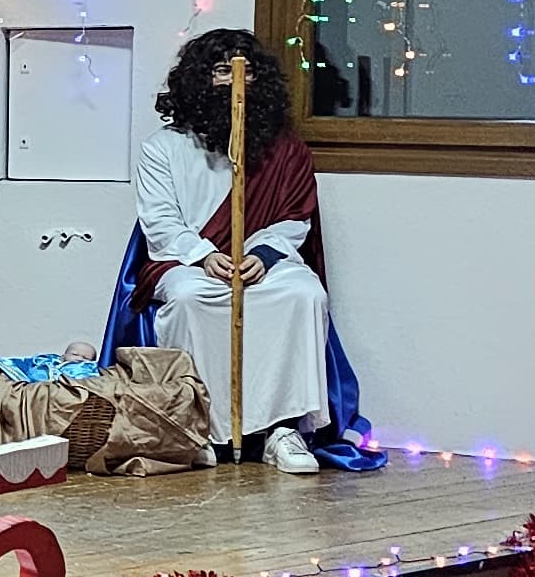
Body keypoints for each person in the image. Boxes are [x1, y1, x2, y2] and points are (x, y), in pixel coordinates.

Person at [111, 28, 384, 474]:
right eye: (223, 72)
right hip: (186, 261)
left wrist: (265, 254)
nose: (238, 82)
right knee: (190, 298)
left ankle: (282, 429)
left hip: (260, 259)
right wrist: (203, 256)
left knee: (301, 294)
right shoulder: (164, 149)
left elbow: (295, 217)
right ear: (199, 80)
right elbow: (159, 222)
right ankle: (197, 427)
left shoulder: (284, 151)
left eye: (248, 72)